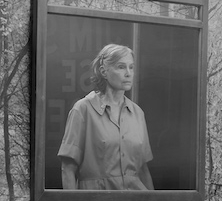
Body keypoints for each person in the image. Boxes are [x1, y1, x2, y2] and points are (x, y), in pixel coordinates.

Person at [58, 43, 154, 192]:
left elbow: (143, 169)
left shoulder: (137, 113)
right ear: (103, 71)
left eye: (131, 67)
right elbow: (67, 168)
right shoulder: (83, 109)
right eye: (121, 67)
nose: (128, 73)